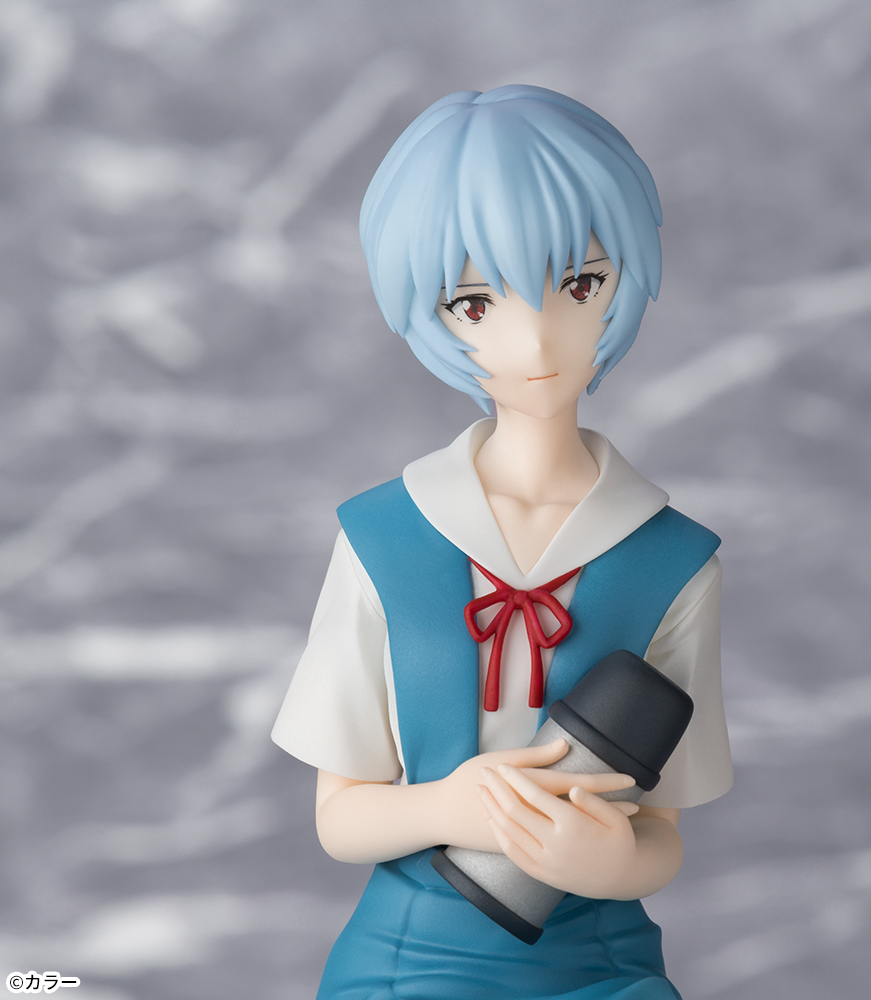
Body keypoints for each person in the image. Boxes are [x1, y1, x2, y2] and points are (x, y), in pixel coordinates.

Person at [272, 85, 732, 999]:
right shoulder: (381, 537)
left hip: (605, 967)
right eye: (476, 302)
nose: (536, 338)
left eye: (579, 285)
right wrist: (451, 806)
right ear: (432, 314)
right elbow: (340, 817)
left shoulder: (675, 559)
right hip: (413, 961)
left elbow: (663, 834)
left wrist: (609, 862)